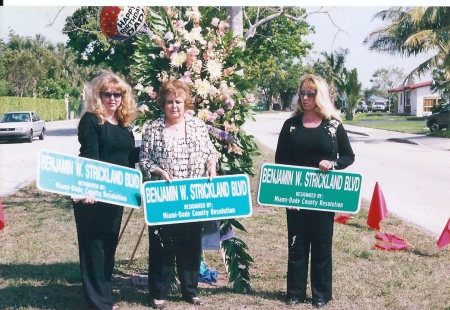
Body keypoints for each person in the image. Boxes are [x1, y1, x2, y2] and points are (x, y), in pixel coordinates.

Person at [275, 74, 355, 308]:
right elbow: (280, 160)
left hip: (324, 197)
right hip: (296, 197)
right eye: (302, 93)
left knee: (322, 245)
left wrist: (333, 164)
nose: (306, 97)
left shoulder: (333, 125)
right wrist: (286, 195)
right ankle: (295, 293)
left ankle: (321, 295)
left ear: (320, 95)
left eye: (311, 93)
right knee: (296, 244)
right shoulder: (291, 125)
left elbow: (348, 156)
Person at [139, 80, 217, 309]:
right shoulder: (153, 129)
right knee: (162, 245)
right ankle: (159, 293)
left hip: (193, 196)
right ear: (163, 103)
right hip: (164, 196)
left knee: (190, 244)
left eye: (179, 102)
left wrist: (212, 165)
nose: (174, 106)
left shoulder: (198, 126)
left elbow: (210, 152)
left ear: (186, 103)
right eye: (170, 102)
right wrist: (158, 171)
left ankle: (190, 291)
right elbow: (144, 160)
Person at [73, 71, 137, 310]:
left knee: (109, 244)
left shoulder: (123, 124)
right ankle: (98, 303)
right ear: (98, 96)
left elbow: (128, 157)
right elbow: (90, 157)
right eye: (107, 94)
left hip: (116, 194)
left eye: (117, 94)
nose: (112, 99)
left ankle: (103, 295)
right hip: (93, 195)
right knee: (94, 247)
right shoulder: (91, 120)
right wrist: (88, 189)